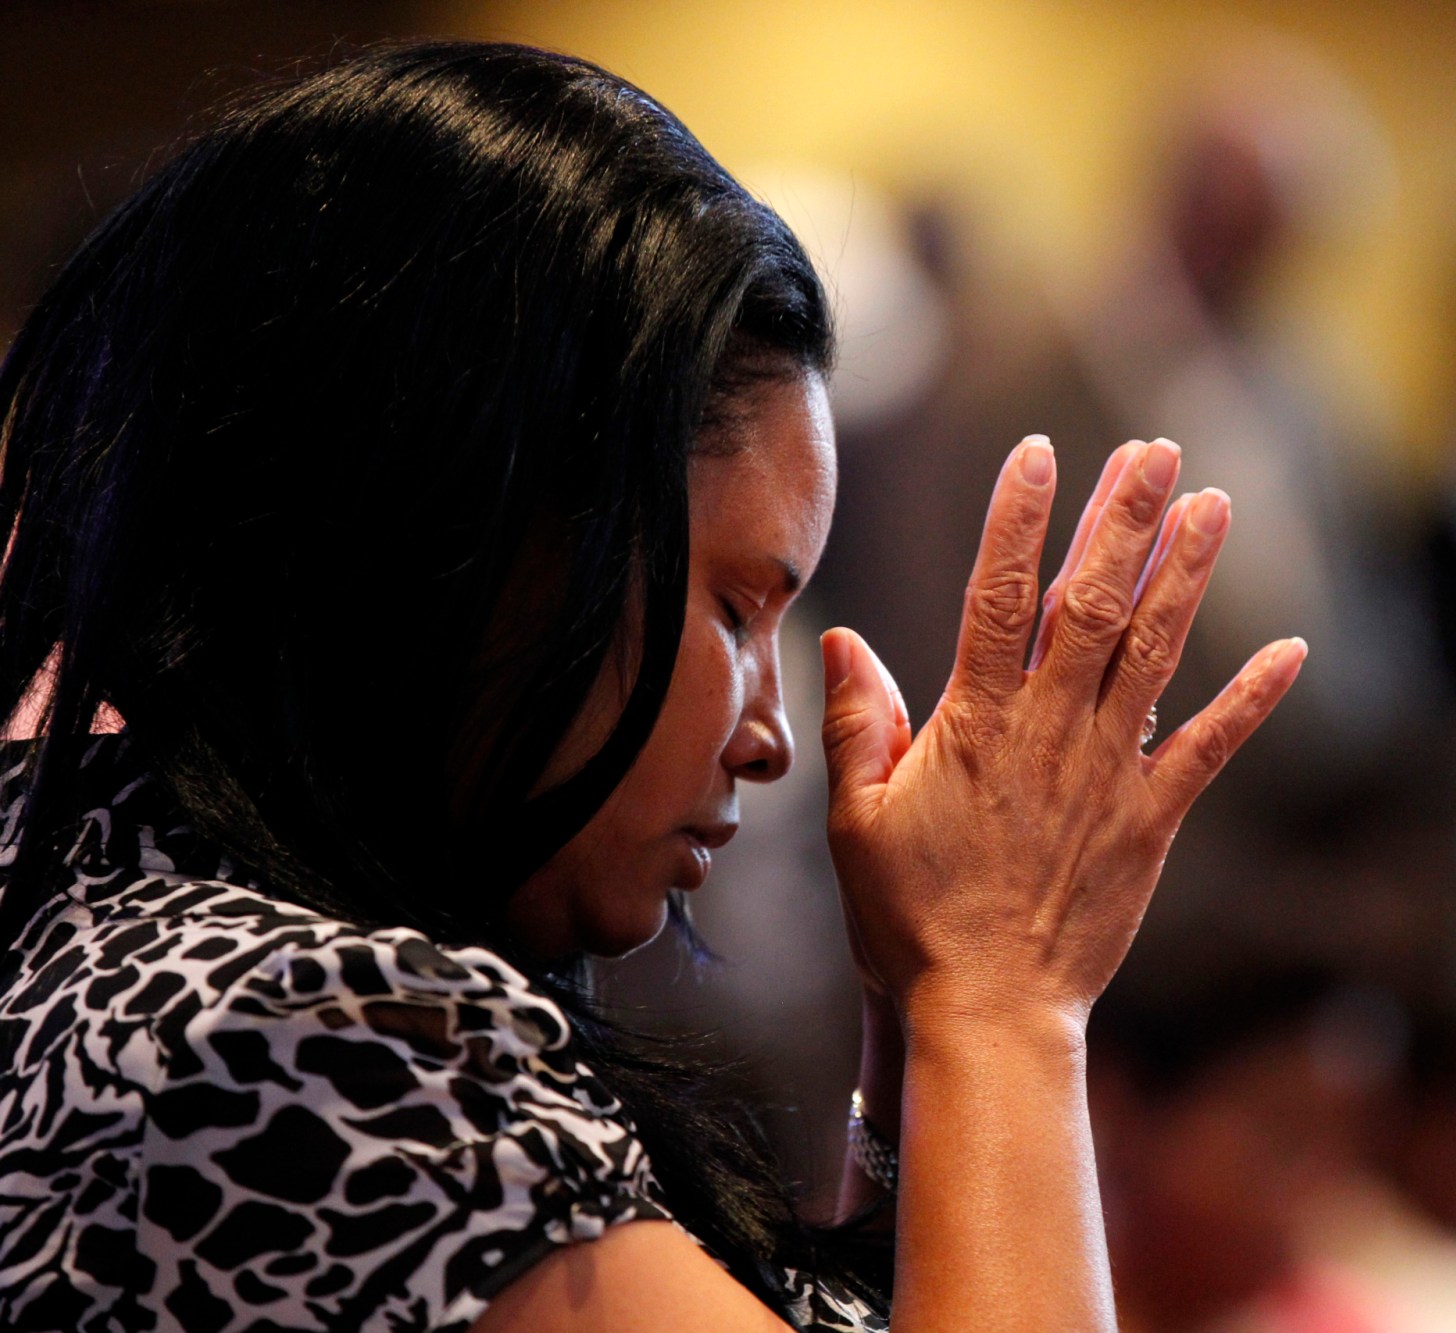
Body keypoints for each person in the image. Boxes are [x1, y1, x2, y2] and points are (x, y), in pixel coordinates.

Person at [0, 41, 1304, 1333]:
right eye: (735, 607)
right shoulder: (290, 1049)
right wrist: (1009, 996)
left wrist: (924, 1012)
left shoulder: (168, 929)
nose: (773, 736)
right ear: (466, 530)